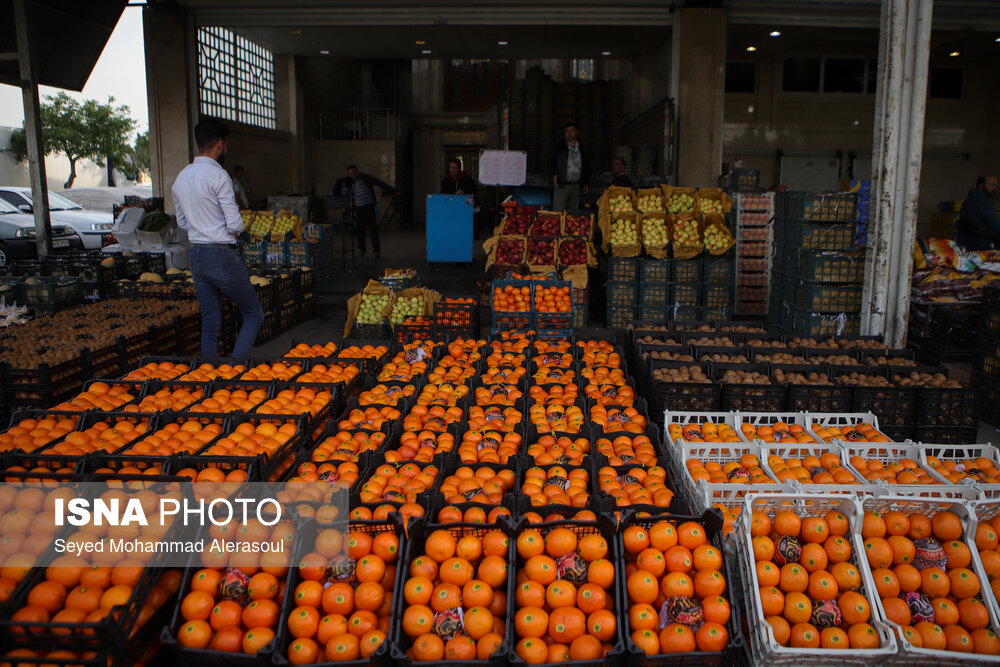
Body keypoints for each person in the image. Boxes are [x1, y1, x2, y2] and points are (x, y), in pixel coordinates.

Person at [172, 118, 264, 359]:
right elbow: (235, 224)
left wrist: (202, 224)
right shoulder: (219, 176)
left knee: (210, 321)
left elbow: (182, 223)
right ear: (221, 144)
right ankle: (234, 373)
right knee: (253, 314)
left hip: (197, 255)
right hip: (221, 255)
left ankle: (211, 381)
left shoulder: (181, 177)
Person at [335, 165, 396, 259]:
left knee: (373, 231)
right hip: (359, 209)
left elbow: (378, 183)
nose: (353, 175)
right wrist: (344, 187)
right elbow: (348, 194)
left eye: (354, 172)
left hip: (369, 208)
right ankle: (361, 250)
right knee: (359, 231)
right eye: (350, 174)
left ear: (357, 172)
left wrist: (393, 191)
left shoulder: (364, 180)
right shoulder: (352, 185)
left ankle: (376, 251)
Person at [550, 122, 589, 211]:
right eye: (567, 131)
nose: (569, 133)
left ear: (576, 132)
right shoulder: (559, 147)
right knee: (559, 211)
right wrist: (554, 174)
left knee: (573, 213)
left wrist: (585, 182)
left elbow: (586, 166)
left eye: (571, 130)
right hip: (561, 184)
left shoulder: (582, 148)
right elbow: (550, 162)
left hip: (576, 185)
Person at [958, 175, 1000, 250]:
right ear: (981, 186)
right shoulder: (984, 202)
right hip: (984, 245)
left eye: (996, 185)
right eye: (992, 185)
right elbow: (996, 227)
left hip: (971, 242)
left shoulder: (969, 200)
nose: (995, 188)